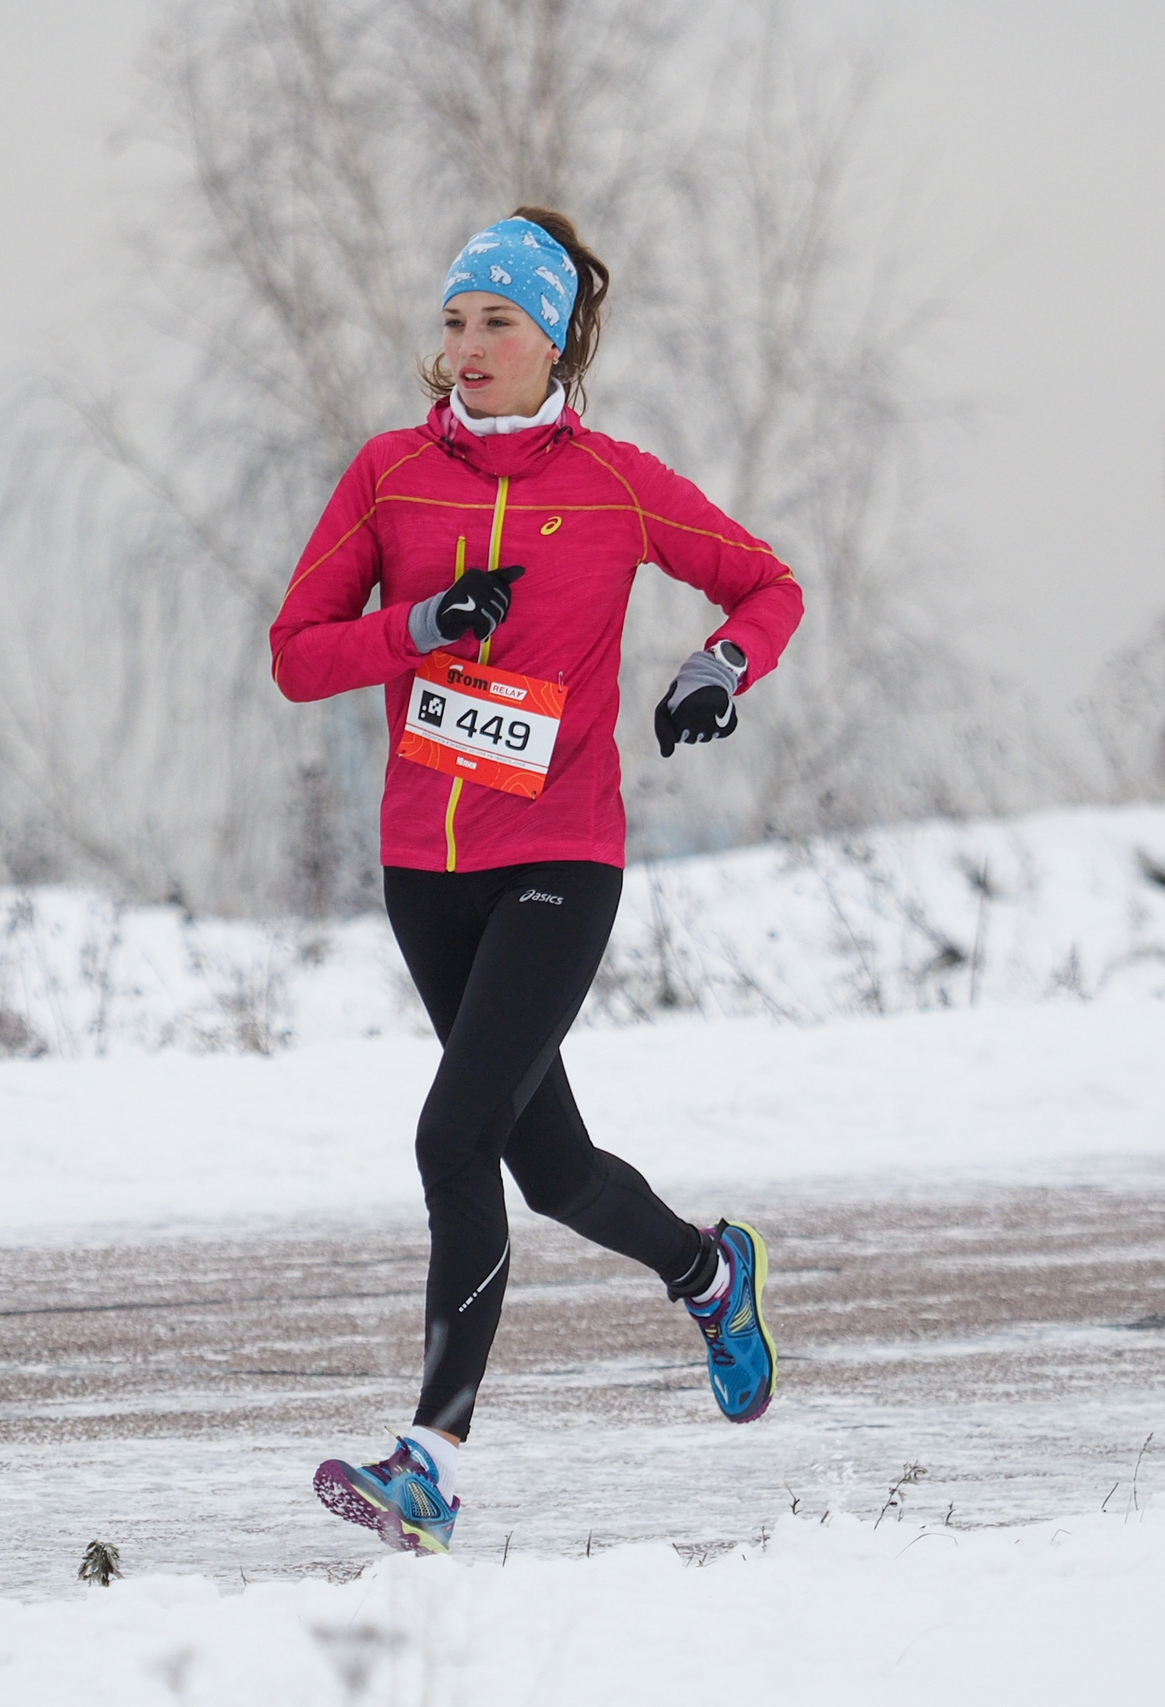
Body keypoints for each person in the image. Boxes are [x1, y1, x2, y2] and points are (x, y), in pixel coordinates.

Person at [268, 208, 804, 1556]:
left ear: (553, 337)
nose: (466, 348)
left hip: (562, 855)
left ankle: (429, 1461)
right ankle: (705, 1269)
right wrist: (422, 628)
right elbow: (298, 652)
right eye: (453, 322)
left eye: (495, 322)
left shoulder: (615, 483)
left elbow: (767, 585)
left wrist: (718, 667)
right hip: (424, 871)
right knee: (549, 1164)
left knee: (453, 1139)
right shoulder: (393, 477)